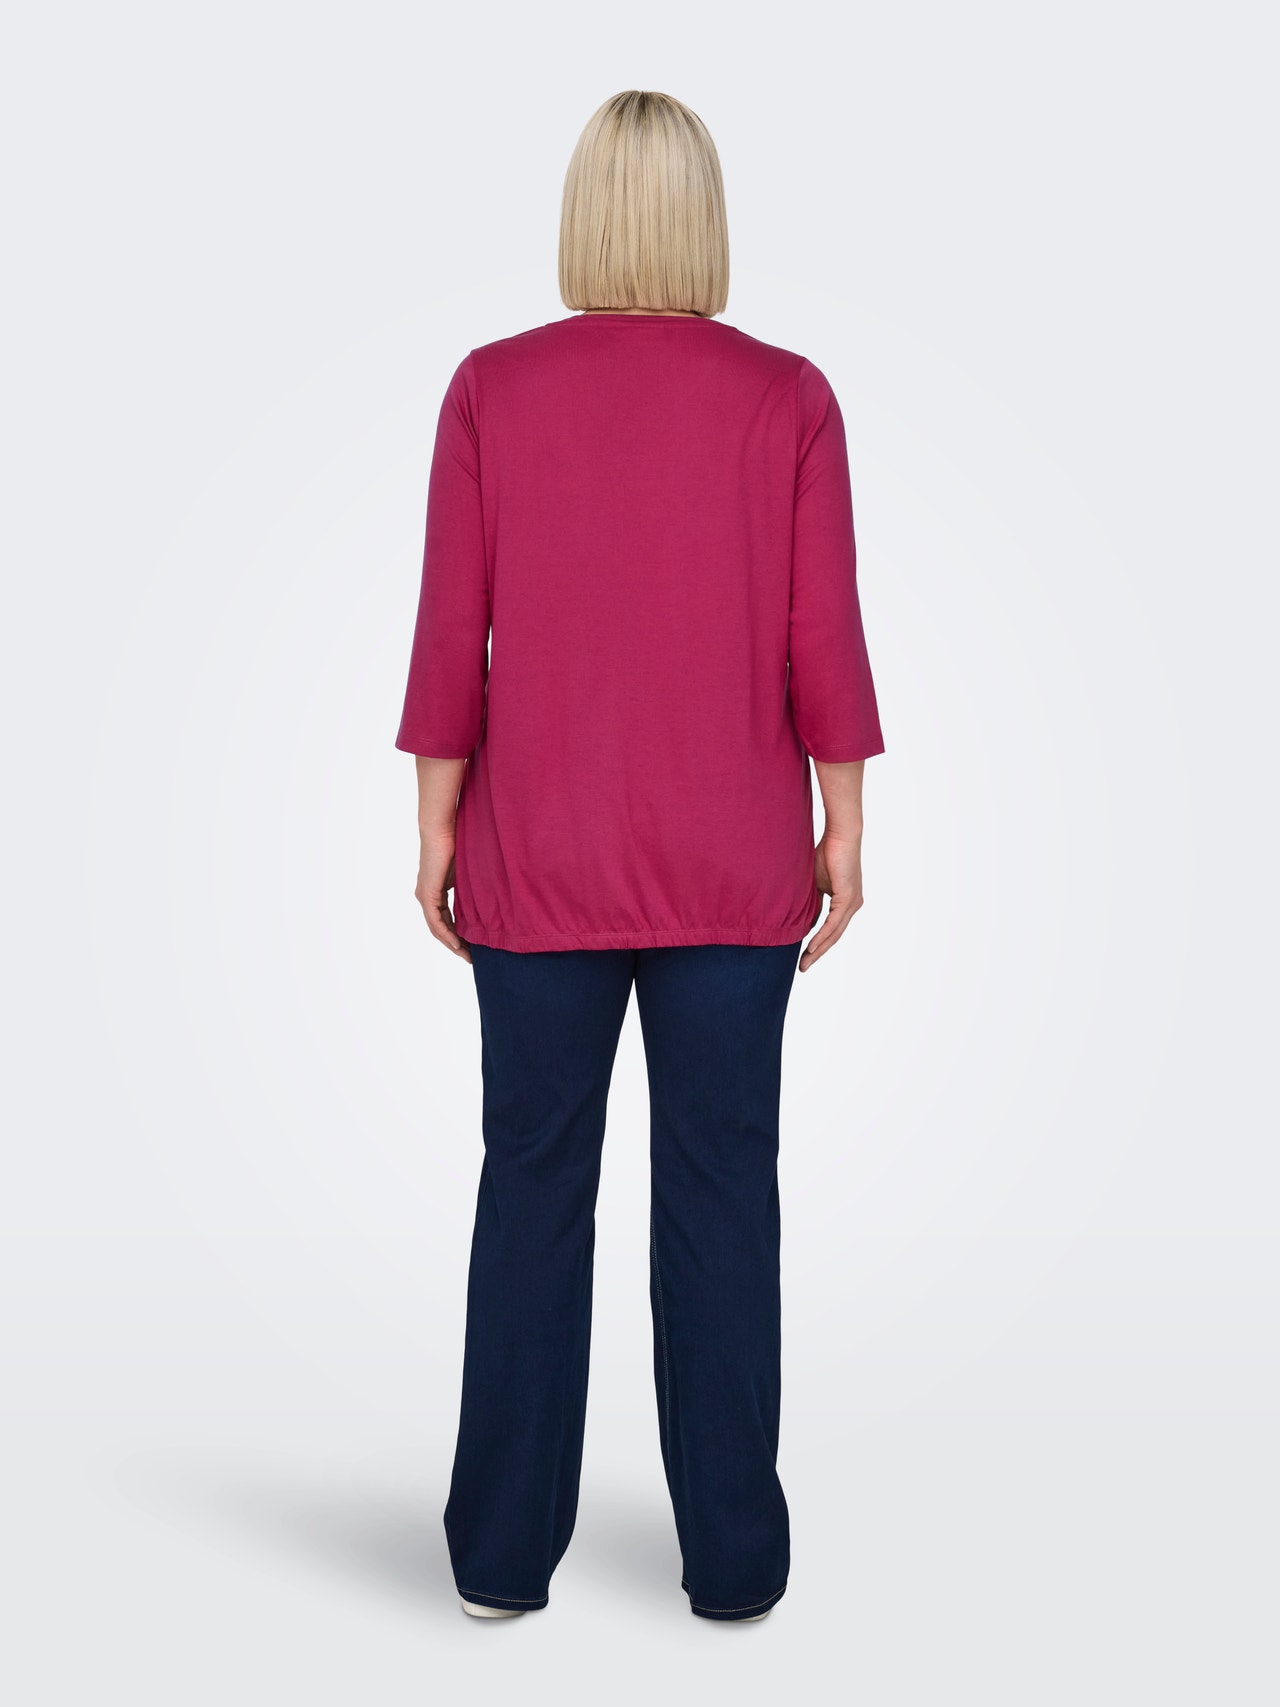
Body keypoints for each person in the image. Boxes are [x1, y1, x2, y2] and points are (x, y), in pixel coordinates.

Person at [394, 89, 885, 1624]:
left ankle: (497, 1562)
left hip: (538, 856)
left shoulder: (492, 390)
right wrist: (846, 822)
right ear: (706, 218)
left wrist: (436, 823)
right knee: (724, 1196)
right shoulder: (788, 398)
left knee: (533, 1191)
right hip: (735, 867)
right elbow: (822, 634)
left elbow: (451, 631)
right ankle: (735, 1565)